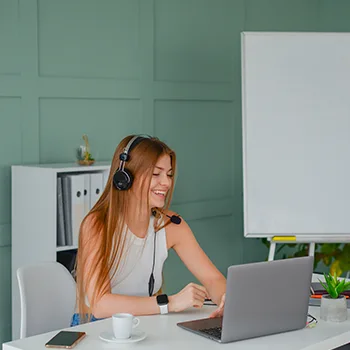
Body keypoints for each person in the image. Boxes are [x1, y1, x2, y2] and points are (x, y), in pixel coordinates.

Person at [71, 134, 226, 326]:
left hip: (144, 323)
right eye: (156, 174)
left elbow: (212, 278)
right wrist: (171, 303)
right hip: (95, 326)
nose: (167, 183)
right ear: (125, 177)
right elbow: (101, 304)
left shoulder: (171, 224)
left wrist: (225, 300)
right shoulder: (97, 224)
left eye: (169, 174)